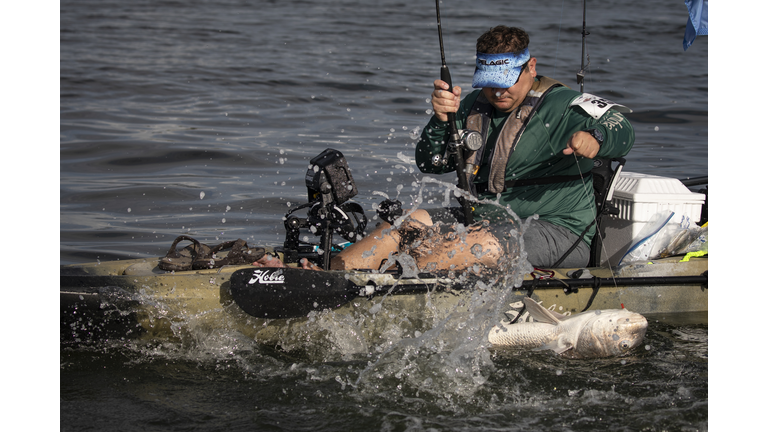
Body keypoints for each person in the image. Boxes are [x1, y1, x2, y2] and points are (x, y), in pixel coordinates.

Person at [258, 25, 634, 272]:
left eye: (506, 82)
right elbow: (431, 162)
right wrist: (440, 121)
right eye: (489, 83)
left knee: (479, 243)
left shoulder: (567, 103)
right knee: (412, 221)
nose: (498, 92)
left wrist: (596, 138)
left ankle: (385, 282)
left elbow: (622, 126)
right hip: (485, 219)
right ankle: (331, 275)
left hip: (558, 231)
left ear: (531, 67)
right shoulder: (471, 104)